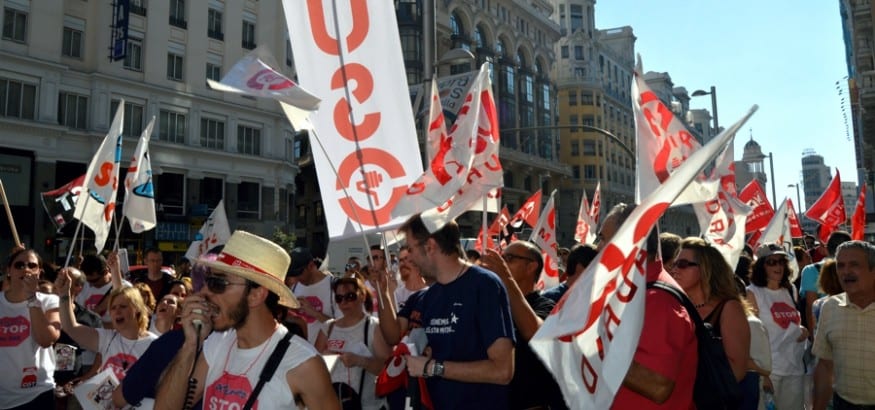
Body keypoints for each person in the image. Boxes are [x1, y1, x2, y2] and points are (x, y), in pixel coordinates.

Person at [156, 230, 338, 410]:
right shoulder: (217, 343)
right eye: (207, 281)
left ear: (256, 295)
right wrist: (190, 346)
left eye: (218, 283)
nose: (204, 292)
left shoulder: (303, 363)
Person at [399, 214, 515, 409]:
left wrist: (431, 367)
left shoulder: (485, 285)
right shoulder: (429, 297)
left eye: (410, 249)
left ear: (430, 246)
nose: (408, 258)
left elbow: (502, 371)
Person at [598, 203, 697, 409]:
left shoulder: (657, 301)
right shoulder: (637, 292)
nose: (598, 248)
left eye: (603, 239)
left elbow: (658, 386)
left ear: (628, 242)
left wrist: (592, 347)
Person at [479, 241, 567, 409]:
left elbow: (535, 333)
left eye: (509, 258)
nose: (503, 262)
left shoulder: (545, 306)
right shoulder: (492, 306)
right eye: (502, 258)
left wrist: (505, 277)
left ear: (531, 267)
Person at [672, 237, 751, 383]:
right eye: (674, 264)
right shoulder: (677, 306)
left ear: (704, 268)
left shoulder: (729, 309)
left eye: (682, 264)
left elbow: (737, 371)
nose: (674, 270)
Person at [813, 240, 875, 409]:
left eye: (854, 265)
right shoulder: (829, 307)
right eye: (840, 266)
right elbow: (824, 365)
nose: (846, 272)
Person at [745, 244, 808, 410]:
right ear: (761, 266)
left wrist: (803, 330)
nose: (778, 266)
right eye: (771, 262)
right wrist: (762, 374)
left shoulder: (790, 289)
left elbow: (793, 323)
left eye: (781, 262)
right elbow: (752, 336)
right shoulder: (752, 292)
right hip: (770, 371)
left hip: (795, 368)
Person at [315, 274, 390, 410]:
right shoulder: (329, 327)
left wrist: (360, 361)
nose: (344, 303)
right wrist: (324, 358)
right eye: (339, 298)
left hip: (366, 405)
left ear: (361, 295)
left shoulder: (373, 326)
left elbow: (385, 369)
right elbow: (314, 367)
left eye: (350, 297)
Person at [0, 248, 61, 409]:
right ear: (8, 271)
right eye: (19, 265)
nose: (25, 269)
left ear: (39, 273)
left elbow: (46, 340)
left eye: (31, 266)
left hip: (36, 393)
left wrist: (32, 299)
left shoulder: (50, 301)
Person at [799, 231, 851, 334]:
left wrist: (814, 338)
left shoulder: (810, 270)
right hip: (852, 325)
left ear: (826, 248)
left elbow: (810, 307)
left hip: (824, 329)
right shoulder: (859, 269)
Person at [288, 247, 338, 345]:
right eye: (293, 274)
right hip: (299, 352)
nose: (297, 277)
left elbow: (344, 327)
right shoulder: (293, 287)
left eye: (299, 273)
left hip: (324, 354)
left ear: (311, 266)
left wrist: (314, 313)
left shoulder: (334, 286)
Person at [394, 246, 427, 310]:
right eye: (400, 260)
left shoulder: (430, 292)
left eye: (406, 259)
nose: (403, 263)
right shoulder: (396, 294)